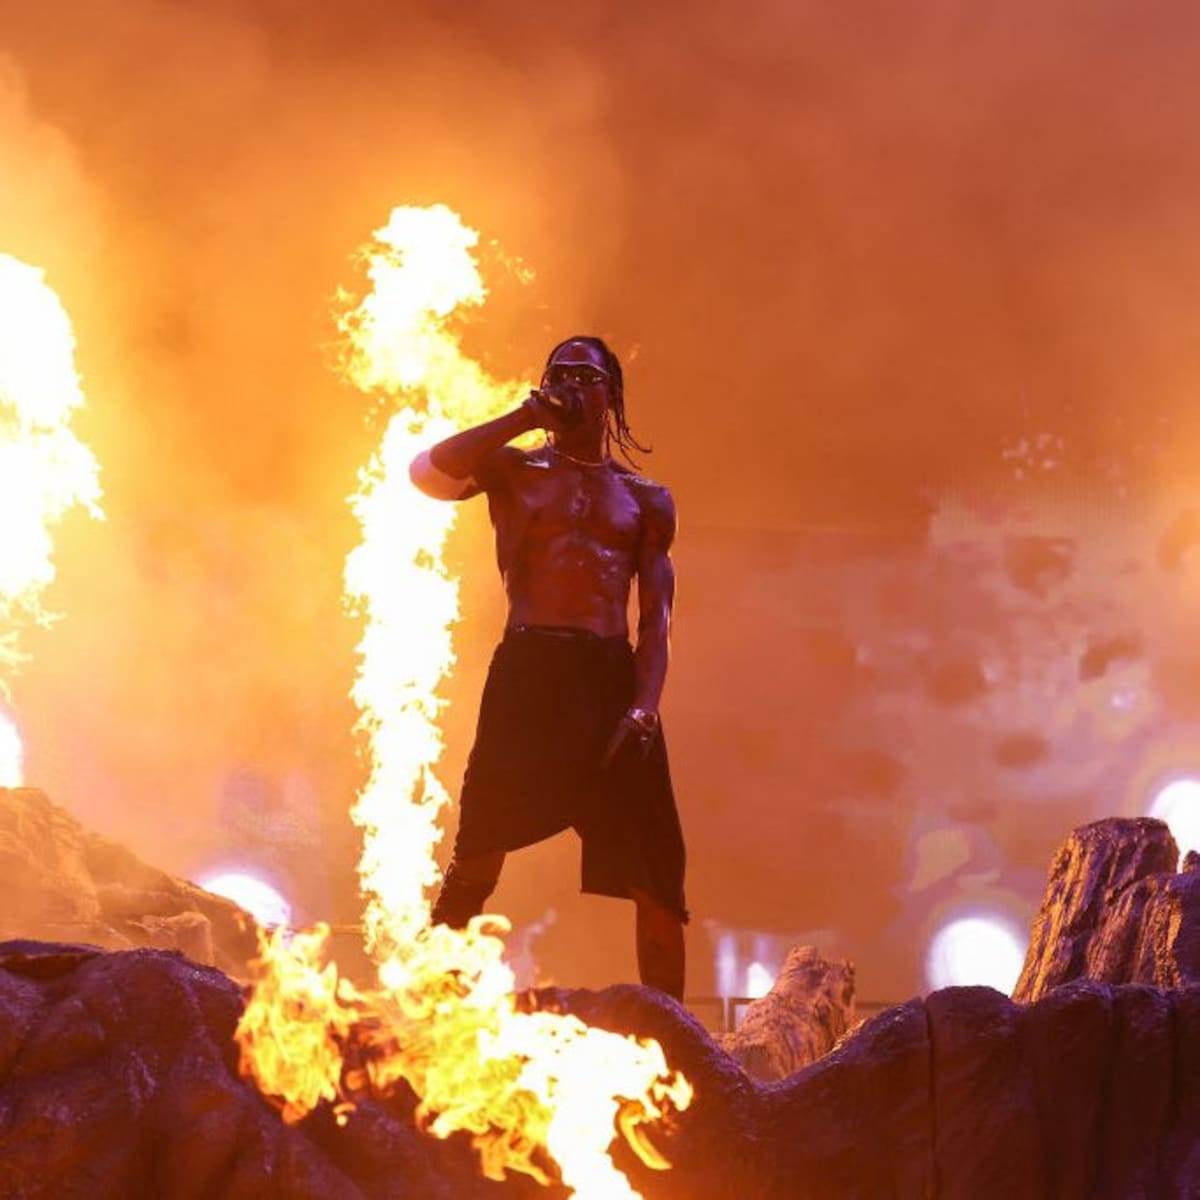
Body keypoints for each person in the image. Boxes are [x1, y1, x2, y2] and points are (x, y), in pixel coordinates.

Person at [409, 335, 687, 999]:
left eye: (586, 377)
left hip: (609, 678)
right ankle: (434, 1015)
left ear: (611, 394)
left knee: (656, 872)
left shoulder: (645, 499)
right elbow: (427, 474)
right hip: (530, 670)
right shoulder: (514, 471)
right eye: (560, 374)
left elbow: (656, 621)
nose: (571, 386)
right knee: (480, 846)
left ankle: (677, 1039)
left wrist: (644, 707)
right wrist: (525, 415)